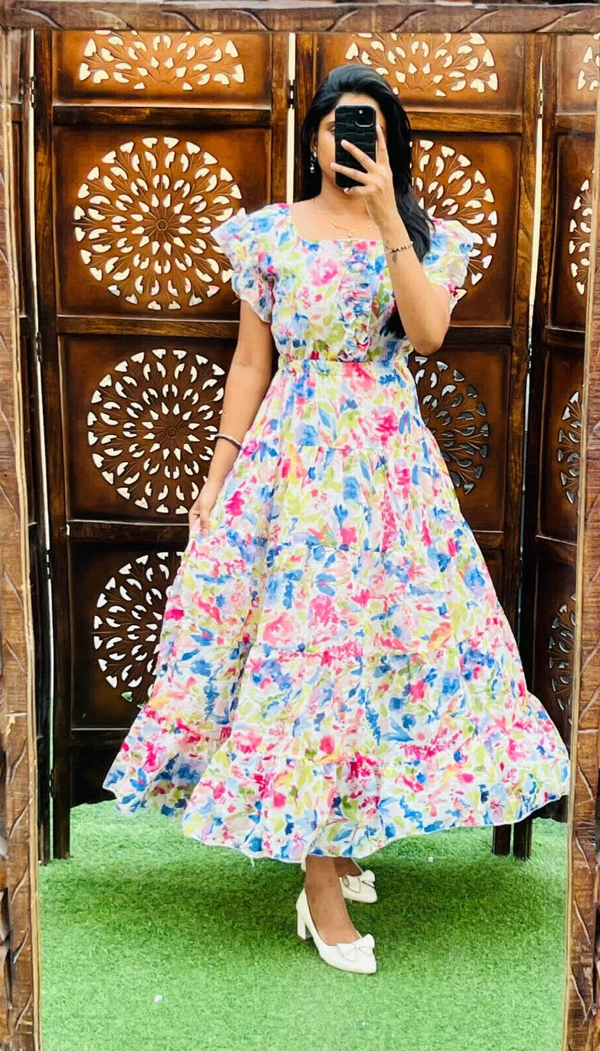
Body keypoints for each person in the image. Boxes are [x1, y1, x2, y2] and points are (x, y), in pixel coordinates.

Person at [102, 64, 570, 975]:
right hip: (292, 472)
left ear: (391, 144)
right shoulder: (270, 235)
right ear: (312, 137)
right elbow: (251, 363)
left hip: (390, 473)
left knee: (377, 655)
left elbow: (426, 335)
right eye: (338, 124)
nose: (352, 139)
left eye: (371, 127)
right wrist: (215, 480)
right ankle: (318, 886)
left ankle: (341, 842)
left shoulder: (424, 237)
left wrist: (391, 215)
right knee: (310, 660)